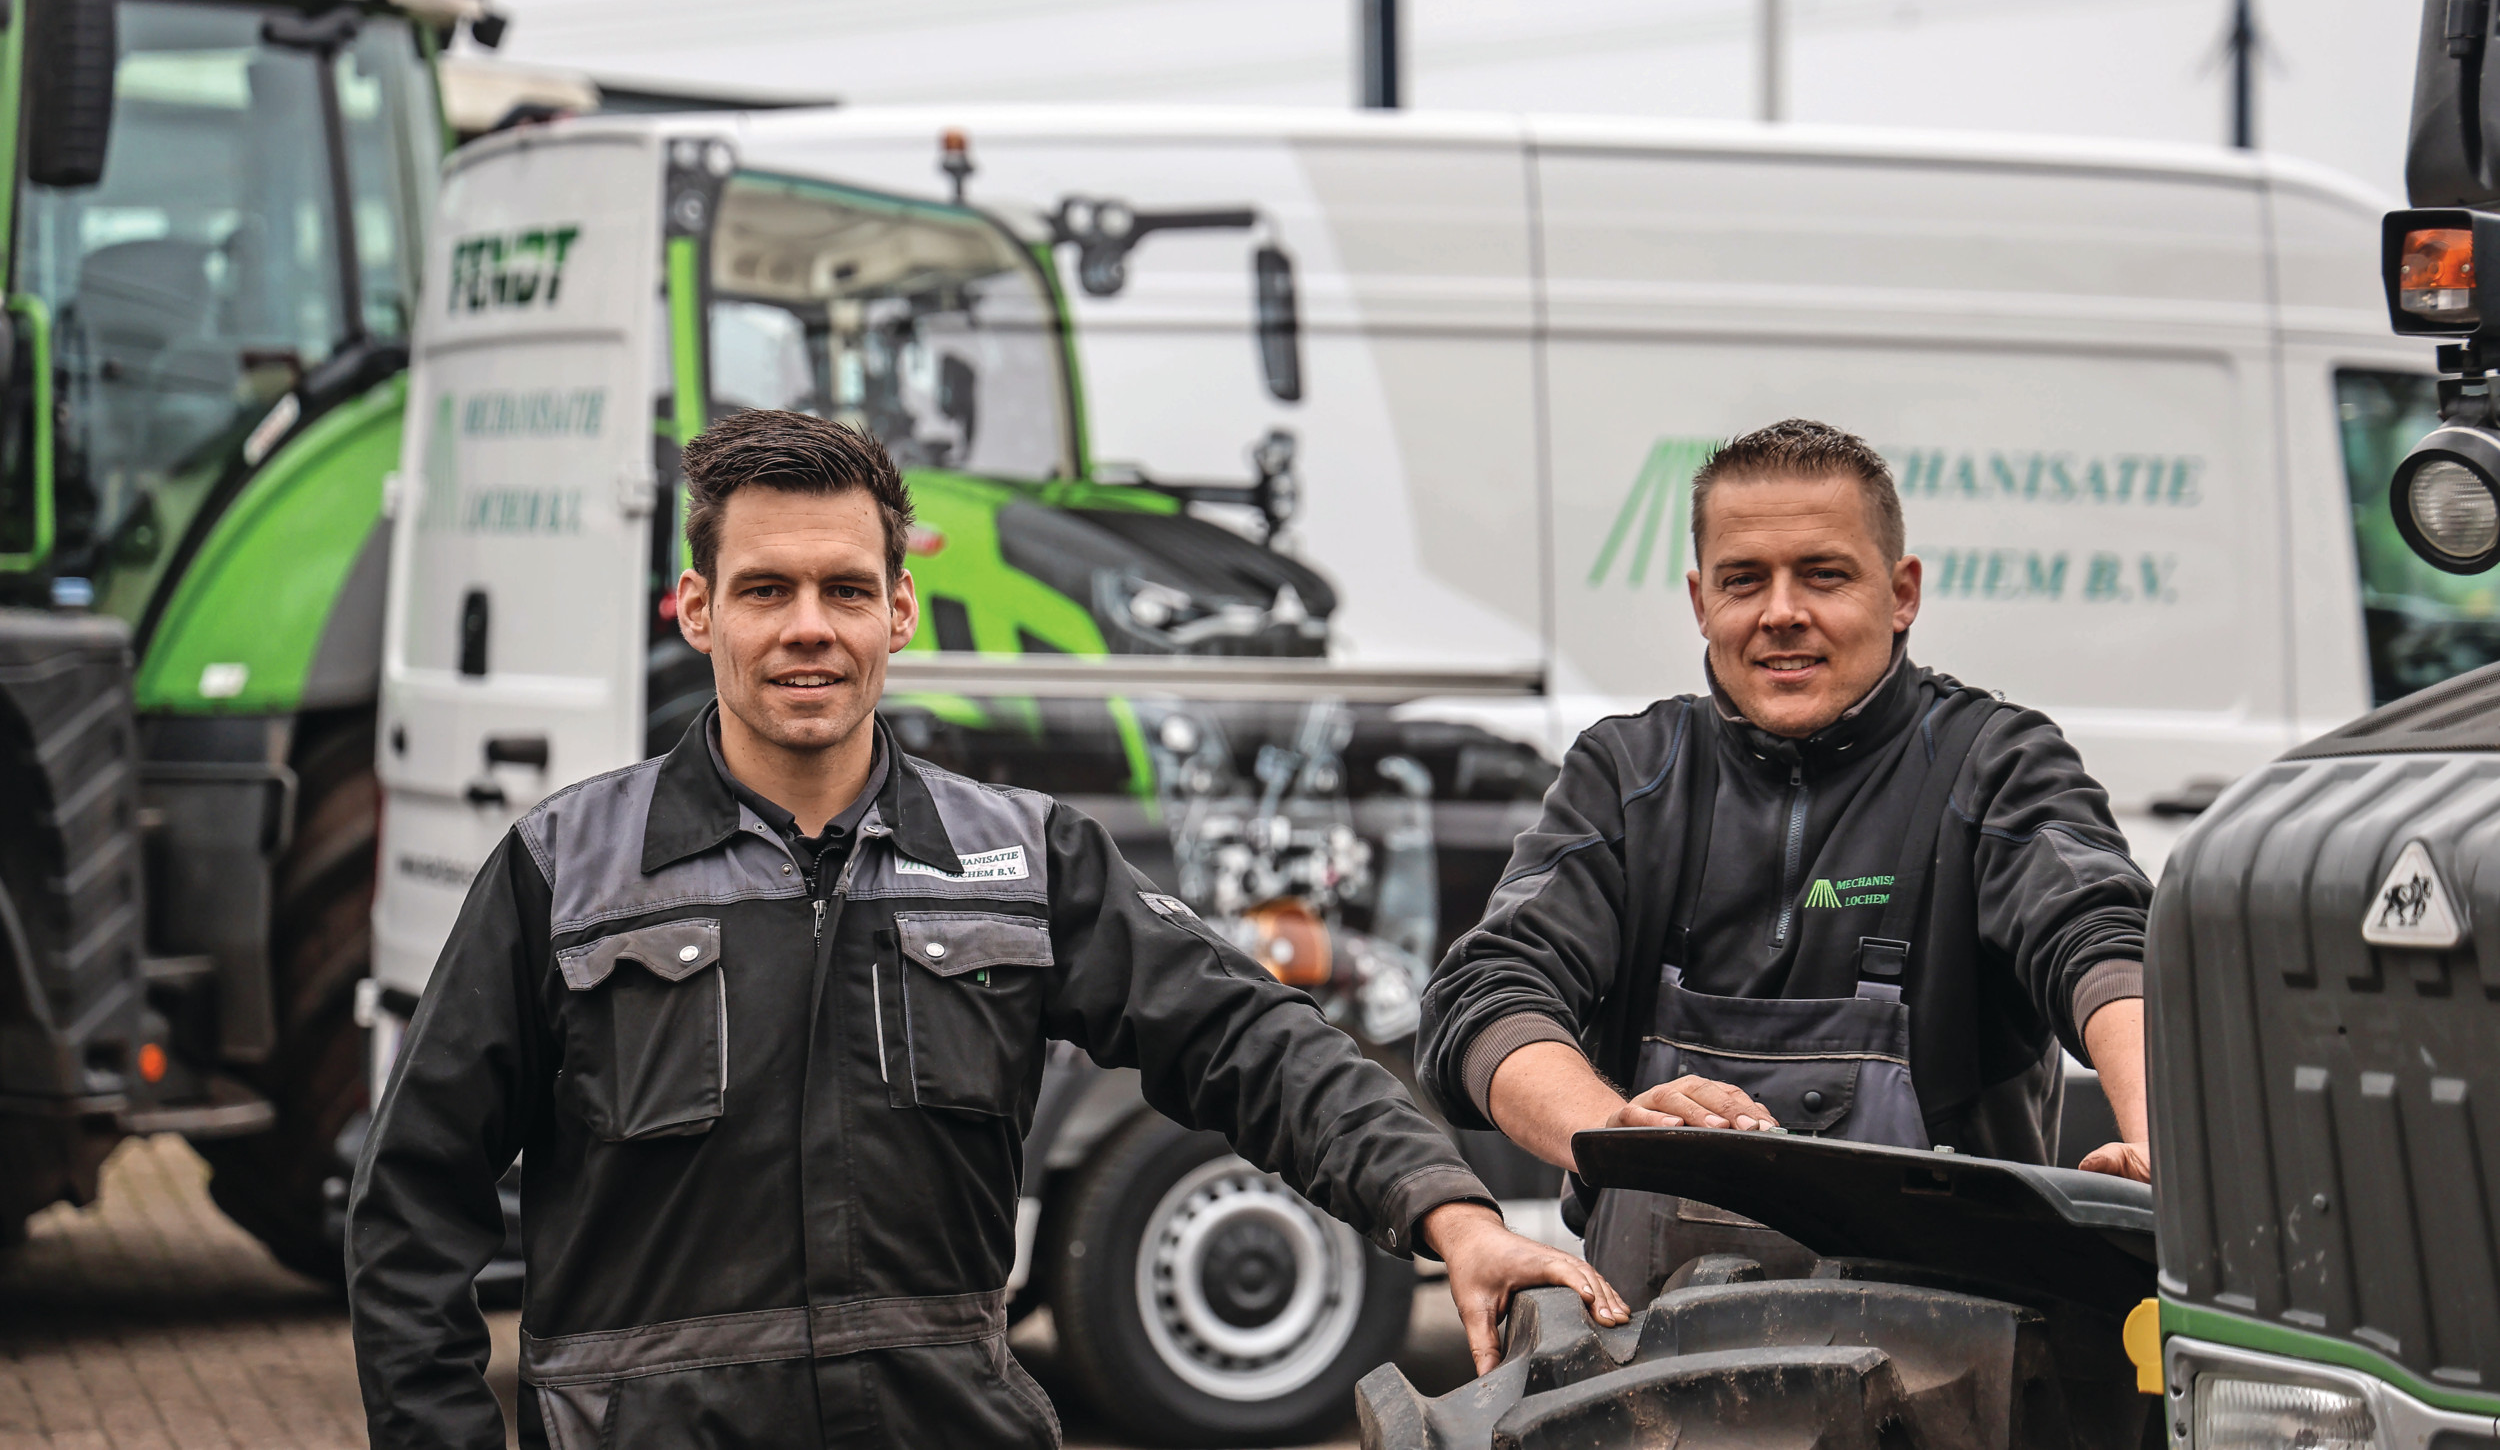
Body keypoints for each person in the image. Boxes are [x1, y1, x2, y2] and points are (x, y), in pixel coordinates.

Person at [347, 410, 1622, 1449]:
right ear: (697, 608)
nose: (808, 625)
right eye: (766, 588)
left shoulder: (1020, 858)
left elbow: (1254, 1040)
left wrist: (1448, 1209)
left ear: (900, 610)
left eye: (846, 588)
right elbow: (412, 1205)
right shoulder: (565, 870)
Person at [1416, 419, 2153, 1308]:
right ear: (1700, 601)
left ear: (1902, 590)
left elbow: (2103, 942)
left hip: (1954, 1367)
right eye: (1743, 580)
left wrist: (2162, 1146)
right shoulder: (1629, 775)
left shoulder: (1995, 765)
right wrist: (1615, 1125)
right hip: (1641, 1366)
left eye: (1824, 573)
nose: (1781, 612)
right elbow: (1486, 995)